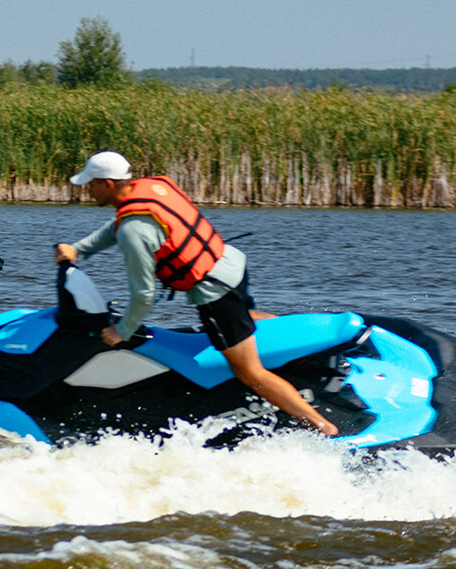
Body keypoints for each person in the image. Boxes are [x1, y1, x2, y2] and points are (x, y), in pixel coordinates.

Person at [53, 150, 339, 435]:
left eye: (91, 184)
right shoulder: (151, 188)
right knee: (244, 320)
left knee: (249, 371)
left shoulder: (133, 230)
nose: (88, 190)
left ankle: (323, 427)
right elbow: (119, 226)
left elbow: (143, 294)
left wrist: (122, 331)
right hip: (231, 265)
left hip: (216, 293)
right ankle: (302, 352)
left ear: (108, 184)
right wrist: (80, 249)